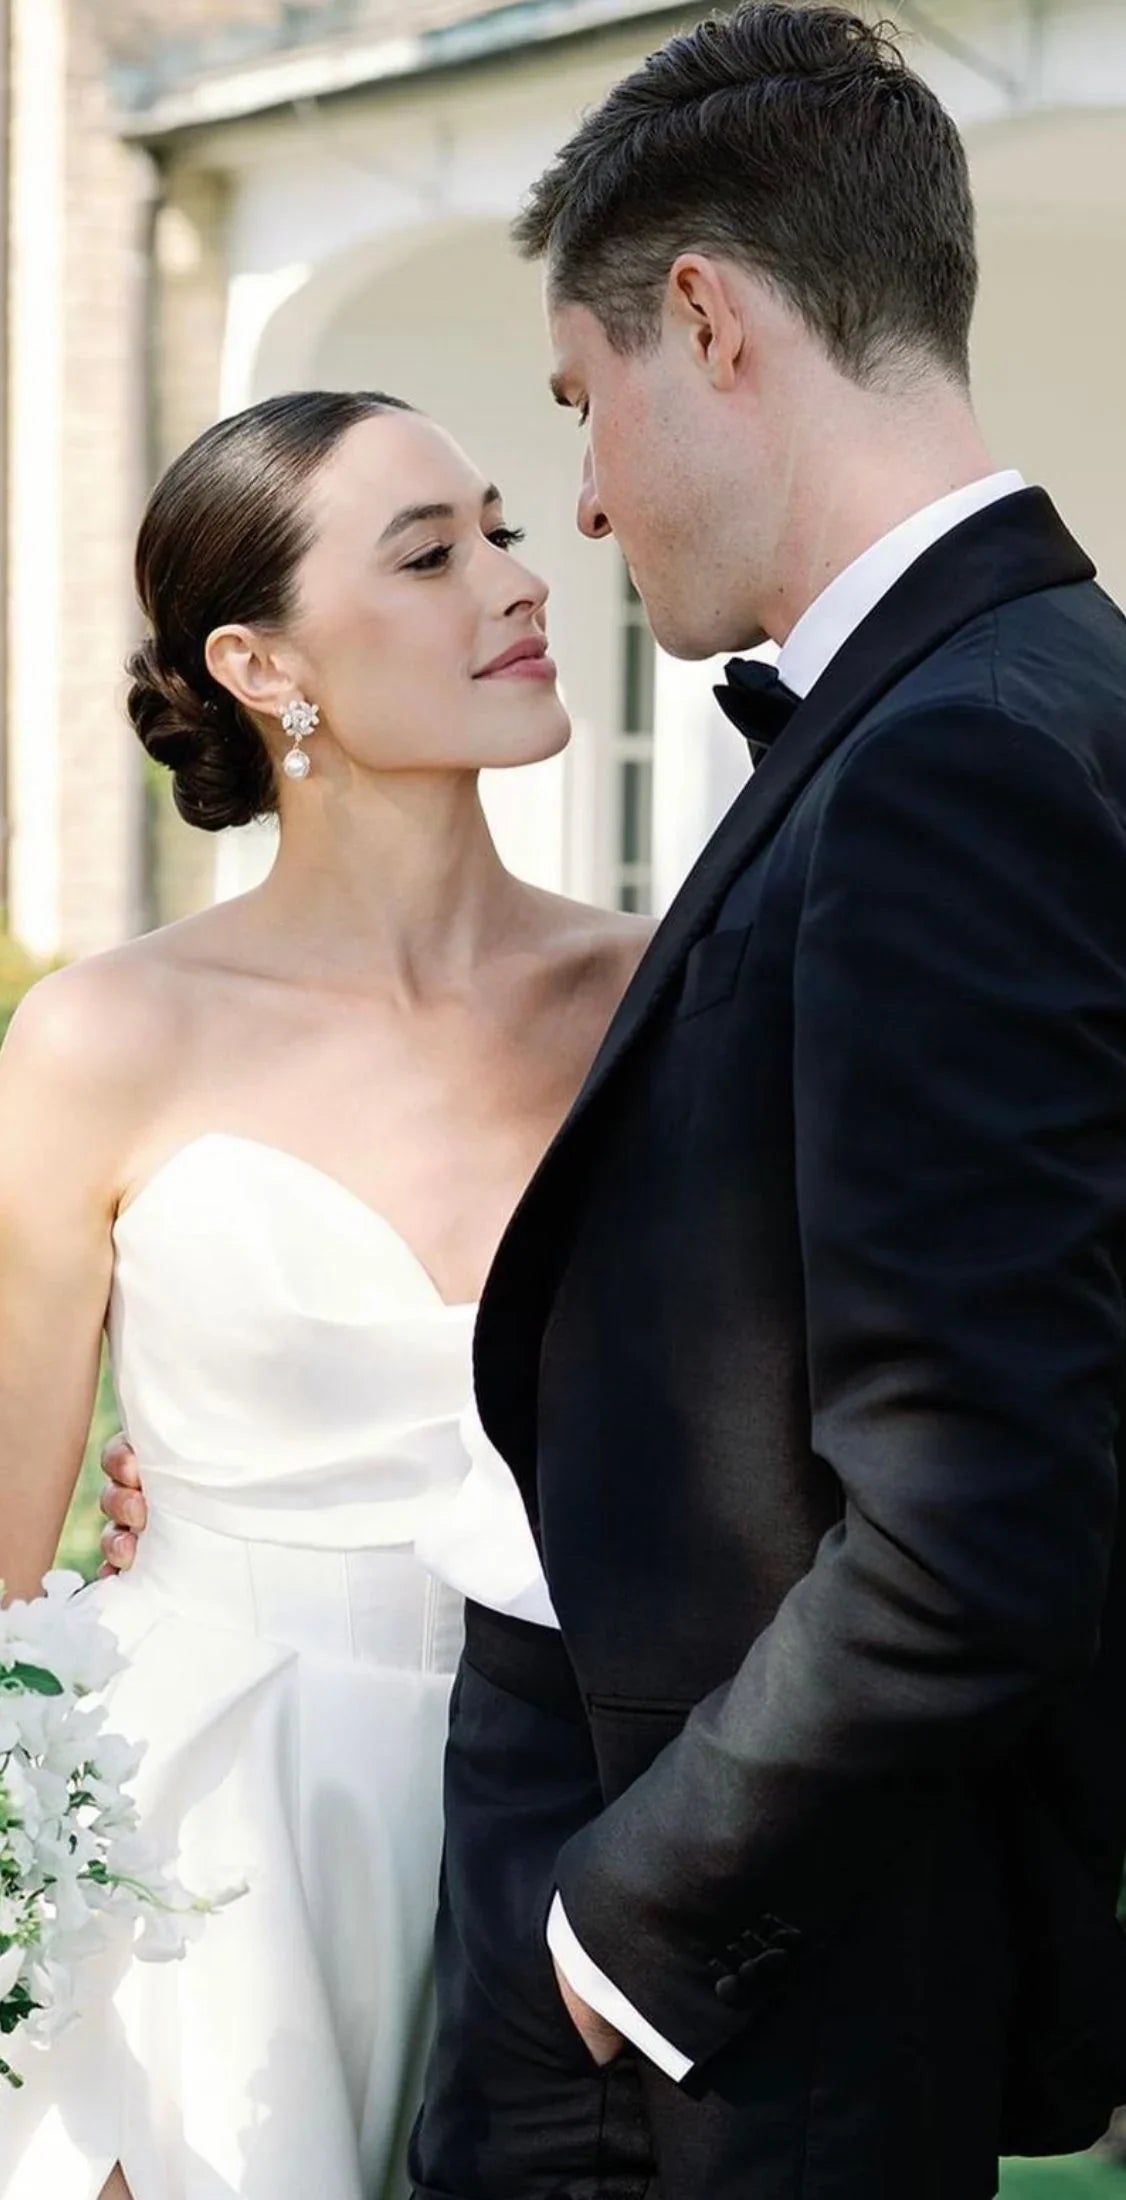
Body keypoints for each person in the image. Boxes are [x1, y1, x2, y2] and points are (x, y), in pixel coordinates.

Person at [104, 7, 1126, 2197]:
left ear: (708, 321)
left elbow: (981, 1493)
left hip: (704, 1991)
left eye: (574, 411)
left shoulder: (950, 756)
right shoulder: (1018, 693)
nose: (570, 506)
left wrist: (623, 1917)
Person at [0, 389, 649, 2200]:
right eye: (430, 555)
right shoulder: (105, 1037)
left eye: (502, 529)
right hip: (197, 1838)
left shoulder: (658, 1000)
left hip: (574, 1829)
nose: (516, 583)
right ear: (260, 664)